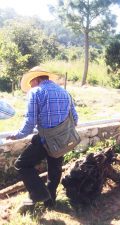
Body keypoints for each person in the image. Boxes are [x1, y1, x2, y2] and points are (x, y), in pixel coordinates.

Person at [6, 66, 79, 214]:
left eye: (30, 83)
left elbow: (30, 122)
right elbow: (75, 119)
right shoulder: (65, 92)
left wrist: (17, 135)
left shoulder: (36, 92)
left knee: (22, 164)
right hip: (63, 140)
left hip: (45, 140)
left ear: (36, 79)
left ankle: (39, 193)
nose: (30, 86)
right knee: (55, 170)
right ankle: (50, 202)